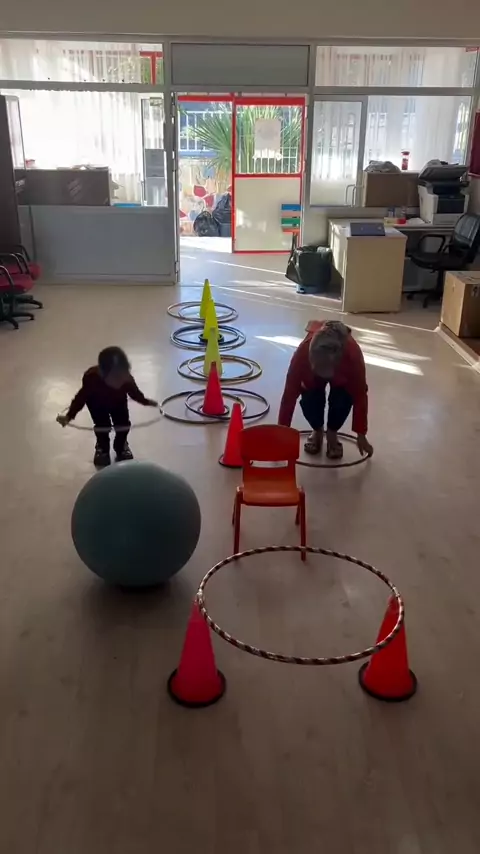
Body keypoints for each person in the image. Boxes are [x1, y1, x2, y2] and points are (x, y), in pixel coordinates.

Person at [278, 320, 373, 460]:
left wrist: (361, 434)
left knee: (343, 398)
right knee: (310, 397)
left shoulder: (353, 356)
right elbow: (289, 395)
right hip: (312, 374)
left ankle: (332, 433)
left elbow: (360, 395)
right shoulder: (302, 355)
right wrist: (281, 432)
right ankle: (317, 430)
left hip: (342, 375)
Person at [57, 346, 158, 467]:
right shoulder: (91, 378)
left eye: (124, 375)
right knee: (102, 426)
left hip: (118, 402)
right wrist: (69, 416)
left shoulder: (127, 380)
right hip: (96, 403)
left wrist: (146, 402)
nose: (121, 381)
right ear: (103, 373)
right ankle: (102, 448)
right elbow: (80, 398)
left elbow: (135, 394)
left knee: (123, 424)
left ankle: (121, 445)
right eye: (116, 377)